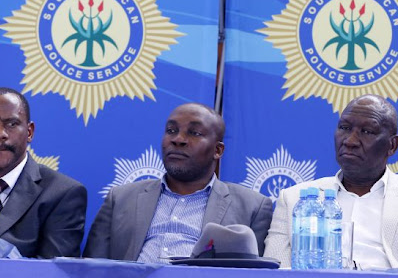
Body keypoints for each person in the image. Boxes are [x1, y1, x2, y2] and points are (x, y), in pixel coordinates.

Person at [264, 94, 398, 270]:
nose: (350, 141)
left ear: (392, 145)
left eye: (367, 132)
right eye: (344, 128)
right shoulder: (293, 199)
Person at [84, 103, 272, 262]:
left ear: (218, 150)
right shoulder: (121, 198)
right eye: (171, 131)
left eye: (195, 133)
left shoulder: (252, 207)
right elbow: (90, 271)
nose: (178, 139)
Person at [0, 87, 87, 258]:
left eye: (12, 124)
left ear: (29, 132)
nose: (0, 134)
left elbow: (54, 275)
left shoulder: (63, 194)